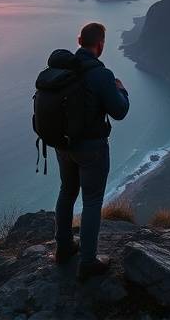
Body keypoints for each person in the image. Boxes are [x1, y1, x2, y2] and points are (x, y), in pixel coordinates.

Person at [52, 22, 129, 280]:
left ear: (78, 40)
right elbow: (119, 111)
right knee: (92, 201)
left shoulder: (61, 69)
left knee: (67, 192)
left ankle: (63, 249)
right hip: (91, 149)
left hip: (63, 145)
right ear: (100, 45)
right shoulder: (101, 74)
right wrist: (122, 90)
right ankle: (88, 261)